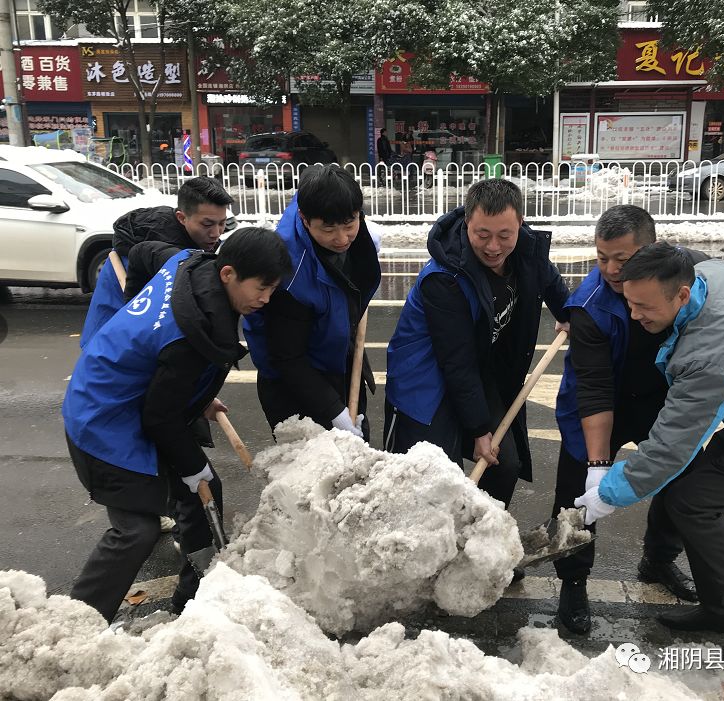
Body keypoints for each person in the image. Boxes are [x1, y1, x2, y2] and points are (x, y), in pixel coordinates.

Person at [62, 227, 292, 623]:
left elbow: (145, 251)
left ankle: (195, 595)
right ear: (228, 274)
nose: (266, 299)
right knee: (137, 530)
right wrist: (191, 464)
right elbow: (159, 417)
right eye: (262, 287)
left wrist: (195, 396)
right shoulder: (190, 335)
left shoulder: (188, 261)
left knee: (204, 494)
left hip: (129, 399)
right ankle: (76, 624)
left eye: (273, 289)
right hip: (102, 420)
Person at [575, 243, 724, 636]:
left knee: (694, 503)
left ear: (682, 294)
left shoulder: (710, 356)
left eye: (644, 307)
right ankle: (701, 592)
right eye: (629, 302)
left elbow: (671, 447)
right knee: (687, 494)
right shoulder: (712, 272)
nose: (634, 314)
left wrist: (606, 494)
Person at [551, 206, 707, 634]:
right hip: (601, 401)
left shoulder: (686, 277)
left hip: (662, 396)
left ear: (653, 248)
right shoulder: (589, 306)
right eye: (602, 257)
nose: (612, 270)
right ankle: (574, 580)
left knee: (682, 479)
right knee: (577, 488)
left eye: (622, 258)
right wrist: (599, 468)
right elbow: (596, 387)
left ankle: (658, 560)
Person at [384, 179, 569, 513]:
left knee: (504, 464)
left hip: (478, 372)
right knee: (433, 476)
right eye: (482, 235)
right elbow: (456, 361)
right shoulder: (445, 277)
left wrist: (569, 314)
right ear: (467, 223)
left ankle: (479, 544)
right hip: (426, 381)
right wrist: (479, 430)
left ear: (520, 226)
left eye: (504, 235)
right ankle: (427, 552)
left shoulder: (527, 250)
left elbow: (552, 284)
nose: (493, 247)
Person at [243, 165, 381, 438]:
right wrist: (335, 412)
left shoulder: (330, 205)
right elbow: (287, 357)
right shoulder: (289, 275)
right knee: (315, 473)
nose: (341, 239)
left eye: (350, 224)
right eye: (328, 229)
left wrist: (362, 245)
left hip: (338, 359)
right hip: (293, 386)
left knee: (357, 458)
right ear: (305, 220)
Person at [80, 176, 234, 348]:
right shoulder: (153, 252)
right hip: (110, 346)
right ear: (181, 218)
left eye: (222, 223)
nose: (216, 233)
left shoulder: (192, 241)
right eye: (207, 224)